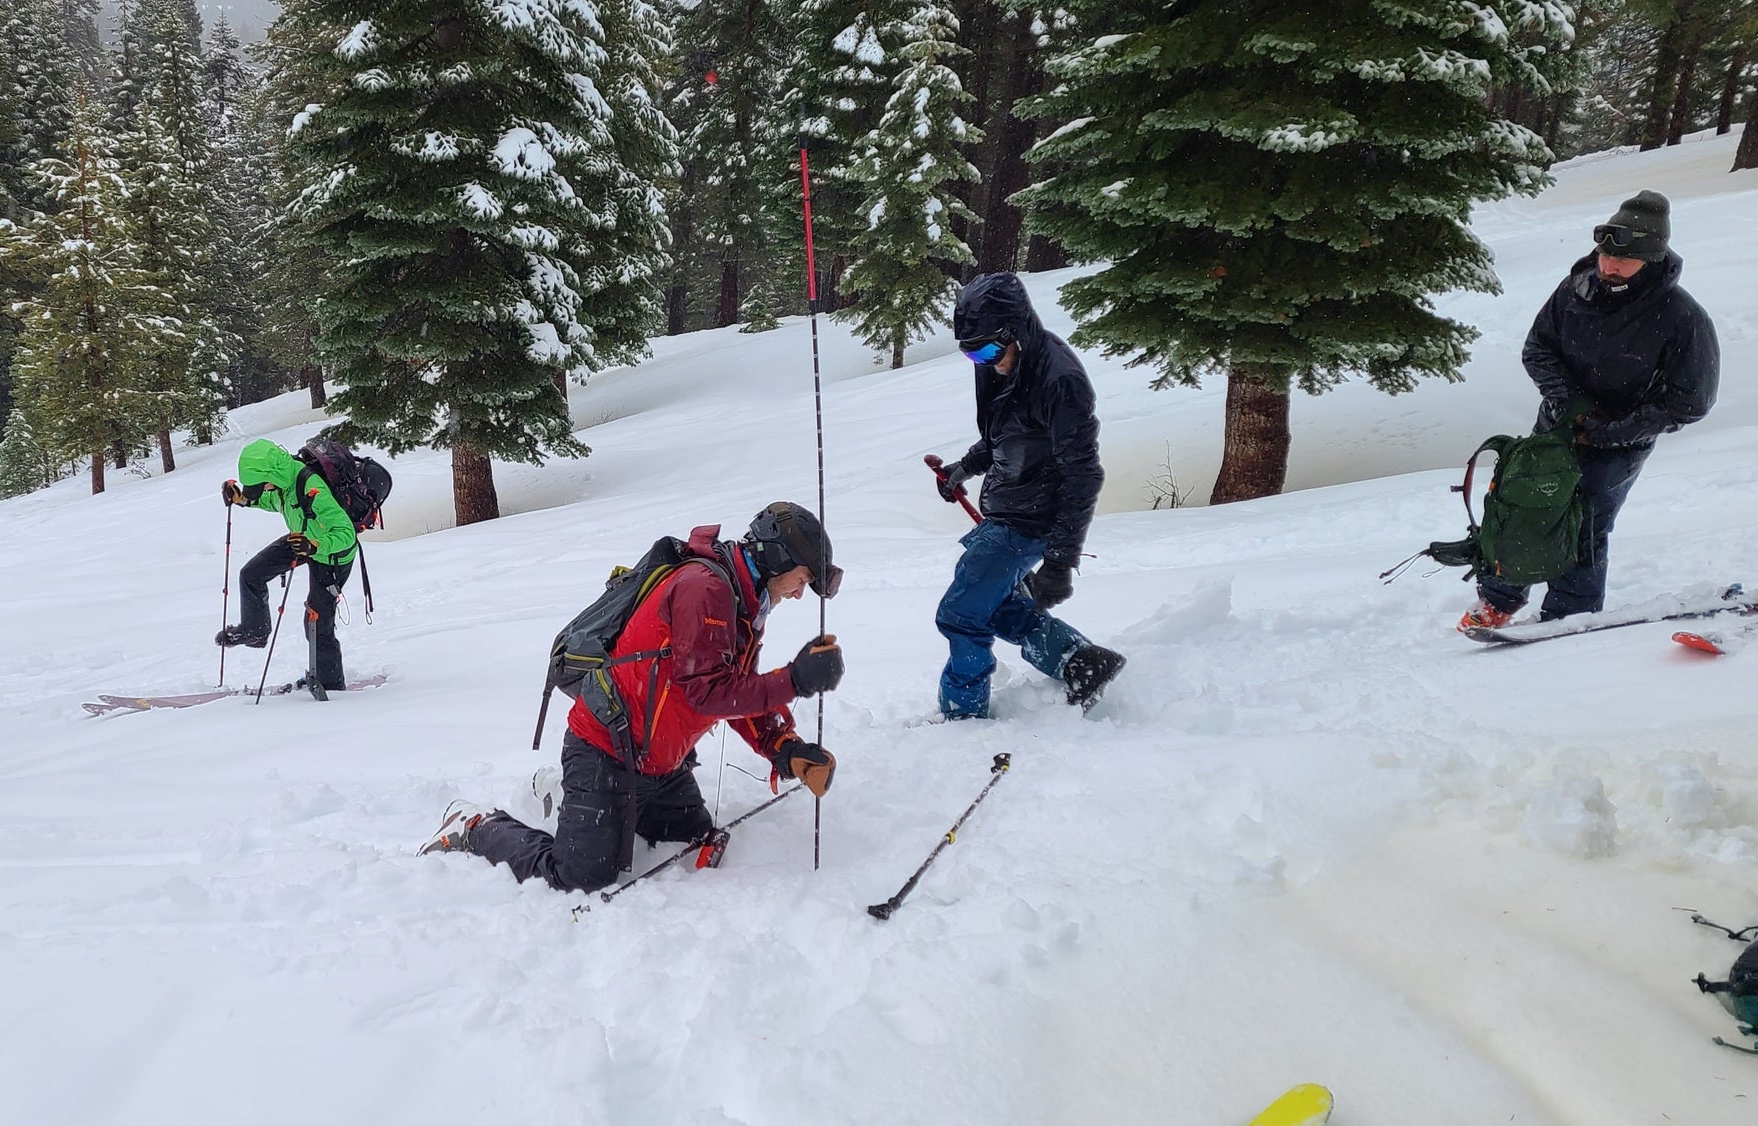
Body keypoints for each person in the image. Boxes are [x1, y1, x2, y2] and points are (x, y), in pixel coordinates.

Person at [420, 504, 846, 893]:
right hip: (606, 751)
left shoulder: (744, 601)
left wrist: (784, 747)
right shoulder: (706, 590)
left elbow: (738, 686)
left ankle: (566, 795)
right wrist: (795, 679)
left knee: (692, 838)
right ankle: (476, 827)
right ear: (778, 559)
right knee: (581, 877)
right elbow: (707, 693)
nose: (798, 593)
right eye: (803, 579)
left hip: (659, 764)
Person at [1460, 190, 1719, 630]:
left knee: (1586, 520)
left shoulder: (1681, 316)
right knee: (1523, 502)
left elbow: (1691, 400)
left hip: (1623, 438)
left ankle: (1569, 614)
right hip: (1558, 424)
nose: (1609, 266)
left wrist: (1615, 429)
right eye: (1605, 254)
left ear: (1651, 260)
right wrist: (1566, 401)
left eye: (1624, 259)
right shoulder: (1575, 289)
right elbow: (1537, 348)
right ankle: (1499, 599)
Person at [933, 272, 1125, 718]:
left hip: (1030, 520)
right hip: (1008, 508)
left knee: (961, 615)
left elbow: (1084, 476)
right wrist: (965, 466)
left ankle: (962, 717)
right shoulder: (1003, 364)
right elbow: (1009, 434)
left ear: (1016, 330)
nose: (981, 361)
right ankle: (1080, 661)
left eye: (985, 350)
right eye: (970, 352)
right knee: (996, 606)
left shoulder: (1060, 382)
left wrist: (1058, 564)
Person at [218, 438, 359, 693]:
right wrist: (244, 500)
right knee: (251, 574)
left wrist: (314, 546)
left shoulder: (310, 486)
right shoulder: (283, 482)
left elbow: (346, 533)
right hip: (302, 538)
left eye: (262, 484)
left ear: (271, 474)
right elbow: (275, 502)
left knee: (316, 621)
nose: (265, 489)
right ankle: (255, 631)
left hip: (331, 554)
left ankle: (331, 685)